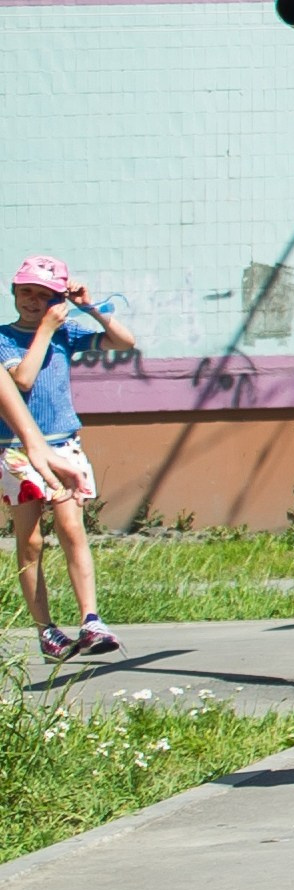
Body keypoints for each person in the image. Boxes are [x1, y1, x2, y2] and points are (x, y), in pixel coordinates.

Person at [3, 257, 137, 661]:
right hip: (17, 451)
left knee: (71, 528)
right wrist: (46, 329)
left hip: (63, 445)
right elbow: (22, 379)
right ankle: (46, 630)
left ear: (57, 300)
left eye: (44, 296)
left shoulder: (66, 332)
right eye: (26, 292)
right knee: (31, 540)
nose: (33, 301)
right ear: (13, 292)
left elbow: (124, 343)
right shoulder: (5, 337)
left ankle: (90, 620)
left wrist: (89, 307)